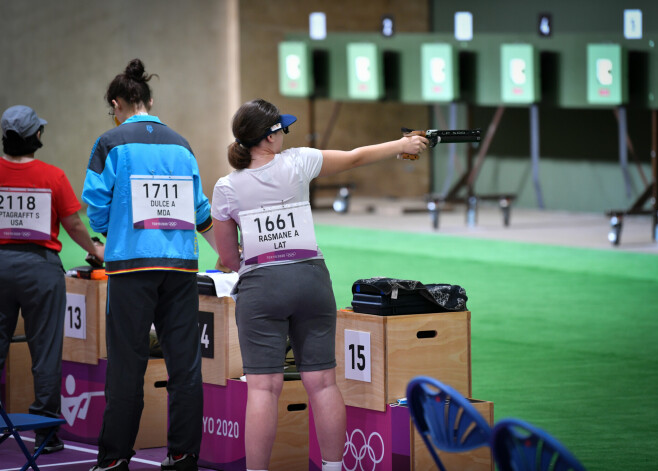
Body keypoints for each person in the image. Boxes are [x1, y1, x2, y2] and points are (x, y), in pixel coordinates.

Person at [211, 98, 428, 471]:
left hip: (261, 286)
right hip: (311, 279)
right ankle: (331, 468)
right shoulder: (299, 162)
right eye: (282, 128)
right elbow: (357, 156)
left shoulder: (226, 187)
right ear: (269, 137)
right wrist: (403, 145)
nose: (285, 135)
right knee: (324, 383)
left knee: (263, 388)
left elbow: (229, 258)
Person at [82, 59, 215, 471]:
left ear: (117, 103)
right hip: (180, 267)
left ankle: (114, 459)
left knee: (127, 365)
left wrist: (111, 233)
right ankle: (183, 455)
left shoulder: (110, 142)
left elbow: (96, 205)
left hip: (131, 266)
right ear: (150, 101)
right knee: (185, 366)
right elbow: (199, 209)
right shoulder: (182, 144)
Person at [0, 105, 105, 454]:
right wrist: (94, 250)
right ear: (37, 137)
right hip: (40, 269)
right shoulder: (52, 176)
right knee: (44, 350)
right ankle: (45, 432)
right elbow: (75, 224)